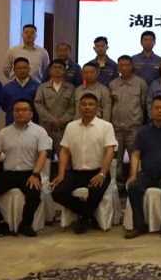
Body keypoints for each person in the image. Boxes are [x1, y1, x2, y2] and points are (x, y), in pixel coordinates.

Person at [0, 99, 51, 238]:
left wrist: (36, 174)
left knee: (34, 195)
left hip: (29, 173)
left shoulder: (39, 131)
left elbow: (43, 154)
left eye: (24, 110)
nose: (20, 113)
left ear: (31, 113)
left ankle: (25, 225)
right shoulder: (4, 132)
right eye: (17, 110)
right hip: (8, 174)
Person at [51, 93, 118, 234]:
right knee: (57, 193)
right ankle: (87, 214)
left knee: (96, 192)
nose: (87, 107)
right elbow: (64, 151)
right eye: (84, 104)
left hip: (98, 172)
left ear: (96, 107)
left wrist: (102, 174)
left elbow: (109, 152)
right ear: (79, 107)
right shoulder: (71, 126)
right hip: (76, 173)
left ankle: (82, 219)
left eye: (90, 104)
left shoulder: (106, 126)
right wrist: (61, 174)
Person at [124, 95, 161, 240]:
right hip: (147, 174)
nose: (159, 111)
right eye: (157, 108)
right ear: (151, 110)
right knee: (133, 187)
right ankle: (139, 225)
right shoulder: (143, 131)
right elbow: (135, 154)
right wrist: (133, 175)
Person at [109, 55, 148, 188]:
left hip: (134, 128)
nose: (124, 68)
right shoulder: (113, 84)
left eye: (127, 65)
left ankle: (134, 185)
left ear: (132, 66)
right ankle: (117, 186)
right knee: (115, 160)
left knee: (135, 158)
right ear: (118, 67)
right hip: (116, 128)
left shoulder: (141, 83)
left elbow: (143, 105)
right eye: (121, 65)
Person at [34, 59, 76, 159]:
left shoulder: (71, 88)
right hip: (46, 127)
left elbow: (73, 106)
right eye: (54, 67)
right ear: (50, 70)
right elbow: (38, 104)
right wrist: (52, 119)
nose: (57, 70)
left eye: (60, 68)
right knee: (44, 158)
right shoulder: (42, 87)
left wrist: (62, 120)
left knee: (65, 158)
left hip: (63, 128)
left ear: (64, 71)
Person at [0, 57, 40, 126]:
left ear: (29, 69)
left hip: (32, 123)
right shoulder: (7, 87)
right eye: (19, 68)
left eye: (25, 68)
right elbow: (4, 106)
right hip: (11, 123)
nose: (22, 70)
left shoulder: (37, 86)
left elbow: (39, 105)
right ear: (14, 70)